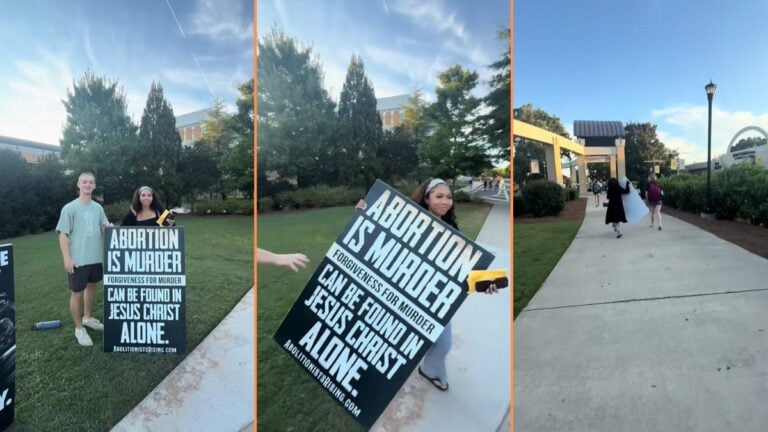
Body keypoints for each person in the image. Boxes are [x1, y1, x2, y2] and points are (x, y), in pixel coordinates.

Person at [356, 178, 498, 392]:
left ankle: (431, 370)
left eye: (449, 197)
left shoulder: (451, 229)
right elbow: (377, 234)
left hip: (433, 298)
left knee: (443, 342)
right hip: (404, 293)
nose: (445, 201)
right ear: (426, 198)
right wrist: (364, 212)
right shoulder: (406, 221)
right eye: (439, 196)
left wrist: (485, 283)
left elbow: (462, 267)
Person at [55, 172, 111, 346]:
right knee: (77, 293)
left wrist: (109, 228)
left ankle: (87, 318)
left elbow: (104, 227)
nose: (87, 185)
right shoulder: (69, 208)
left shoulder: (98, 208)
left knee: (92, 287)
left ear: (94, 186)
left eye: (91, 182)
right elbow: (62, 234)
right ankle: (79, 328)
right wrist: (67, 259)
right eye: (84, 182)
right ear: (78, 185)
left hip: (95, 258)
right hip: (78, 260)